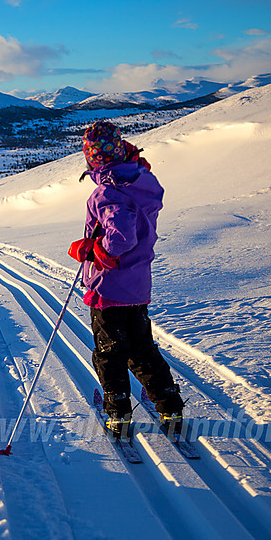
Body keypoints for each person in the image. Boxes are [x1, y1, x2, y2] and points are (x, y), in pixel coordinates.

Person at [68, 120, 183, 438]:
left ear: (93, 159)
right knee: (142, 348)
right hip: (137, 284)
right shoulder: (140, 181)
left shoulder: (109, 191)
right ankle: (169, 406)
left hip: (110, 286)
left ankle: (118, 413)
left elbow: (119, 237)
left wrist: (94, 250)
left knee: (110, 351)